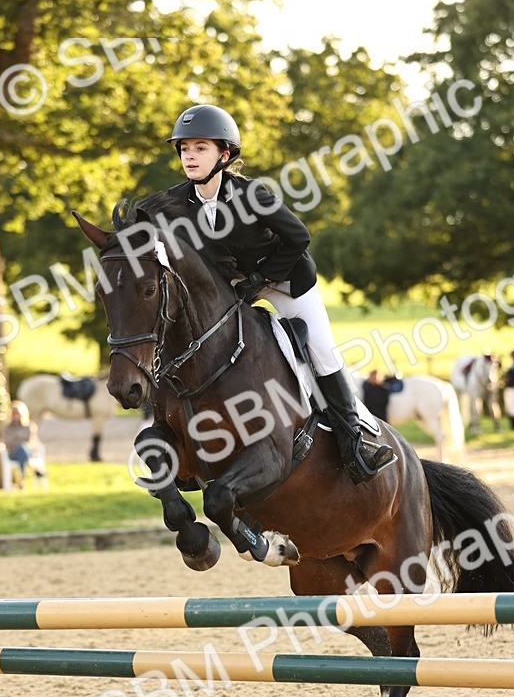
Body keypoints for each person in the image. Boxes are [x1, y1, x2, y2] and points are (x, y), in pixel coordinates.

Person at [162, 104, 396, 484]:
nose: (189, 155)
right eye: (185, 148)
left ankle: (355, 443)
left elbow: (298, 237)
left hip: (287, 281)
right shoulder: (175, 203)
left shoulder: (251, 194)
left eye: (200, 148)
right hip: (236, 291)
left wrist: (262, 277)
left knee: (320, 348)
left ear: (224, 154)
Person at [0, 401, 40, 486]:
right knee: (22, 448)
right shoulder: (7, 427)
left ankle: (22, 478)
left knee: (23, 449)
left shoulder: (28, 426)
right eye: (13, 413)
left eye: (17, 413)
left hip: (27, 451)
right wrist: (20, 440)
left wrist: (16, 438)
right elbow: (7, 441)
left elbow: (31, 440)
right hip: (13, 452)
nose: (15, 415)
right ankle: (32, 470)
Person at [502, 350, 514, 430]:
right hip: (509, 388)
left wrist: (506, 376)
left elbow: (510, 377)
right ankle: (512, 425)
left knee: (513, 408)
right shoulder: (511, 366)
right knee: (509, 408)